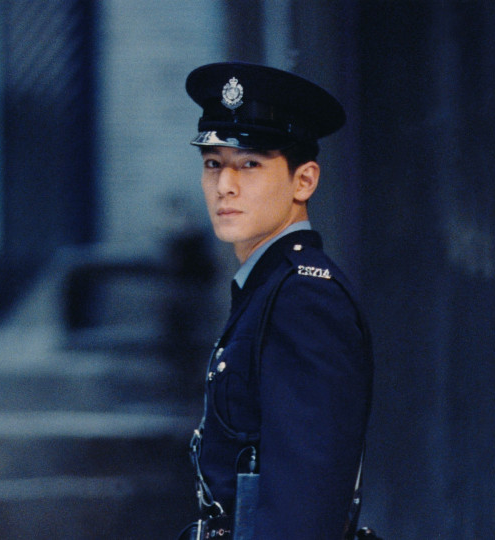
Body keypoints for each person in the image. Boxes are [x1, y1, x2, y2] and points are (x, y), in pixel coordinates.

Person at [177, 62, 375, 539]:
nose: (225, 185)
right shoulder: (269, 288)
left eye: (249, 164)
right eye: (213, 163)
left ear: (303, 181)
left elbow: (303, 505)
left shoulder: (303, 297)